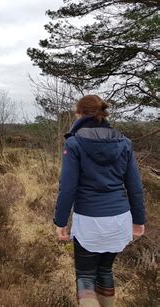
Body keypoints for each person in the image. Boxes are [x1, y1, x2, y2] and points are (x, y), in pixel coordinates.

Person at [53, 95, 146, 307]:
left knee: (85, 276)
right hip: (119, 219)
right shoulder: (124, 142)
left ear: (79, 114)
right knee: (105, 270)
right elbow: (135, 186)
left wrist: (60, 222)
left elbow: (67, 188)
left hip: (89, 221)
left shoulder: (74, 143)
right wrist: (139, 220)